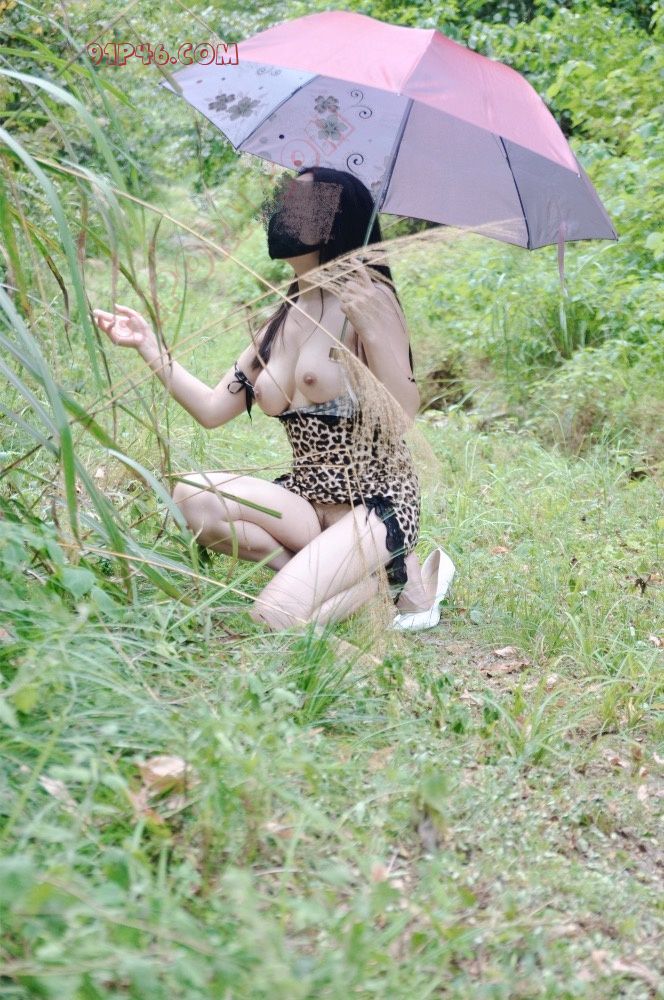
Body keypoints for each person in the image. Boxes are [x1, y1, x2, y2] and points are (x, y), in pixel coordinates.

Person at [92, 166, 438, 631]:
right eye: (284, 200)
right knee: (193, 496)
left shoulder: (370, 299)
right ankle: (361, 580)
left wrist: (373, 333)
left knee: (273, 615)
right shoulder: (282, 316)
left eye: (299, 204)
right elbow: (213, 409)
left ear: (335, 221)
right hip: (306, 502)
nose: (282, 213)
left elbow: (402, 418)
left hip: (373, 504)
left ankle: (370, 580)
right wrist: (148, 347)